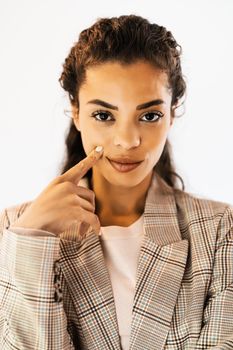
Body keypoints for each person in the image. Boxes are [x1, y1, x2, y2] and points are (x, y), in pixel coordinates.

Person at [0, 14, 232, 350]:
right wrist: (32, 239)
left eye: (149, 115)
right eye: (104, 115)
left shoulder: (219, 231)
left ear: (173, 112)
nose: (127, 140)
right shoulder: (13, 231)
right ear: (76, 112)